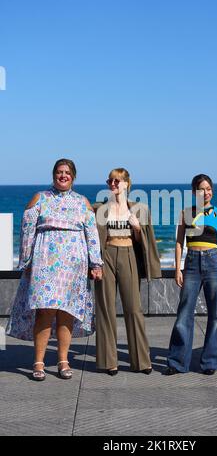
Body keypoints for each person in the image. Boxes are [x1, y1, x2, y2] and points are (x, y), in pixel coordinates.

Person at [6, 159, 103, 381]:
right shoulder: (40, 198)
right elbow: (27, 231)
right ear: (53, 175)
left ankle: (63, 360)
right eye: (59, 172)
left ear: (73, 176)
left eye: (67, 172)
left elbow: (92, 236)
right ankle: (38, 362)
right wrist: (26, 261)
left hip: (74, 265)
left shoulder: (83, 202)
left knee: (66, 312)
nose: (63, 176)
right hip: (44, 263)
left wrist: (96, 263)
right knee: (44, 311)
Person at [93, 168, 161, 376]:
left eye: (117, 181)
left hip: (129, 254)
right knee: (105, 309)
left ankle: (141, 361)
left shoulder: (140, 209)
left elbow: (145, 243)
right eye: (110, 181)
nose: (113, 184)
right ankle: (108, 362)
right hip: (106, 257)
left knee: (133, 309)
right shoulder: (99, 209)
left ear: (126, 183)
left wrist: (138, 228)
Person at [166, 174, 217, 375]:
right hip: (192, 264)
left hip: (214, 264)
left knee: (215, 315)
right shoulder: (185, 213)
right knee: (184, 313)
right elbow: (179, 243)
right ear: (194, 192)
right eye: (202, 189)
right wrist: (178, 269)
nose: (207, 192)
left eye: (209, 188)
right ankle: (177, 362)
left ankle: (210, 363)